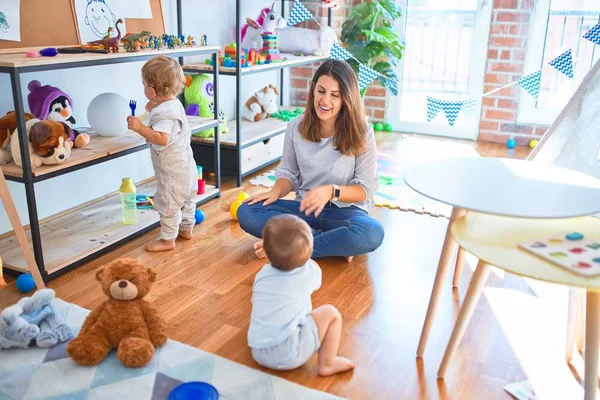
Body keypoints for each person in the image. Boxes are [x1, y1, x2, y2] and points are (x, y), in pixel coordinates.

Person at [238, 59, 384, 262]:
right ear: (313, 89)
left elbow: (365, 190)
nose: (325, 101)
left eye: (335, 95)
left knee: (372, 232)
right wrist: (275, 192)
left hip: (346, 213)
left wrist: (331, 191)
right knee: (247, 211)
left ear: (346, 99)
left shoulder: (362, 132)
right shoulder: (295, 127)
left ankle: (292, 246)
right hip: (305, 210)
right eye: (321, 91)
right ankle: (330, 243)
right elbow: (289, 174)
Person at [248, 214, 355, 376]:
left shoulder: (262, 275)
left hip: (258, 350)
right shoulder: (311, 270)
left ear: (267, 255)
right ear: (310, 250)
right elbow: (315, 284)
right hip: (290, 354)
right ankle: (328, 363)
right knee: (331, 313)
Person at [127, 56, 198, 252]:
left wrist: (140, 127)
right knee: (188, 200)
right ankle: (186, 229)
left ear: (151, 91)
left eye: (144, 85)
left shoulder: (164, 114)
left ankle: (167, 239)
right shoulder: (173, 104)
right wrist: (153, 106)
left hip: (173, 172)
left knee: (168, 204)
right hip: (187, 167)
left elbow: (162, 138)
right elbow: (164, 114)